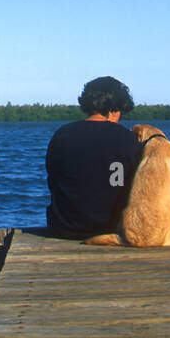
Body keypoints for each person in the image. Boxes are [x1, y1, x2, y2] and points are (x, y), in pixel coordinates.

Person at [45, 76, 141, 239]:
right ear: (114, 108)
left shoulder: (62, 135)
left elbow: (53, 181)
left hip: (63, 228)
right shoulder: (129, 140)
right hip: (113, 229)